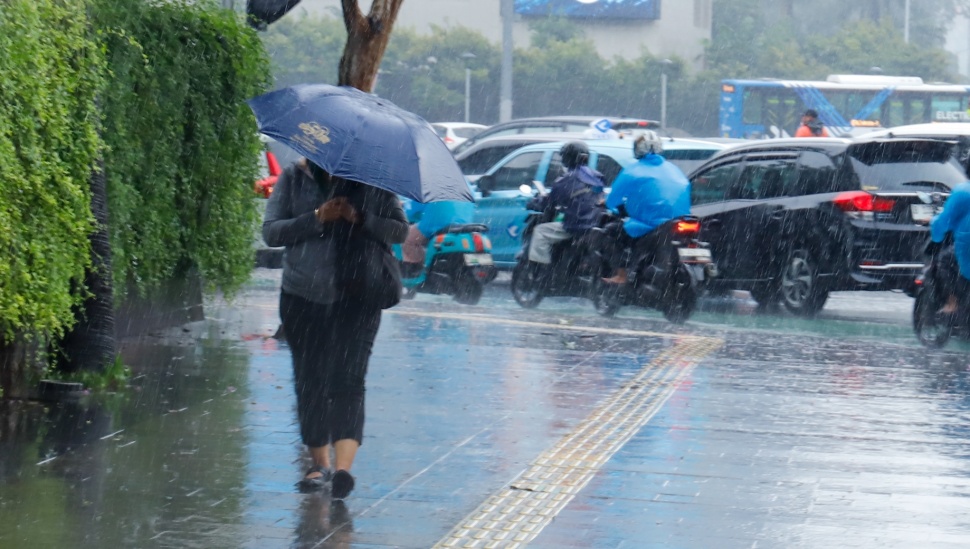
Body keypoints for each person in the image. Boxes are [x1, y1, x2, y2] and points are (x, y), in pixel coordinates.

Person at [262, 157, 408, 498]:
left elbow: (399, 230)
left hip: (358, 296)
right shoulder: (294, 178)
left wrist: (359, 218)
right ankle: (318, 464)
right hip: (303, 296)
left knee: (349, 378)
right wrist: (316, 218)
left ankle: (343, 470)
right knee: (310, 378)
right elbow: (271, 232)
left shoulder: (375, 179)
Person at [602, 131, 691, 284]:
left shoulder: (632, 171)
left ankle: (621, 275)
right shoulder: (673, 169)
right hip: (679, 221)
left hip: (648, 225)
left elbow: (612, 201)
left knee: (611, 231)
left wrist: (616, 209)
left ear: (637, 149)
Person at [527, 141, 606, 268]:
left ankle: (541, 270)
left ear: (568, 158)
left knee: (540, 231)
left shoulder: (566, 179)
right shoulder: (598, 176)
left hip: (576, 225)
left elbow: (549, 203)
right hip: (595, 222)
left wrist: (534, 203)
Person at [929, 181, 970, 314]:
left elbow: (943, 222)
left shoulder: (963, 191)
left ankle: (952, 303)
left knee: (945, 261)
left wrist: (935, 231)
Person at [401, 199, 476, 269]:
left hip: (435, 224)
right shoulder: (466, 187)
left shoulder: (429, 186)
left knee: (406, 239)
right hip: (461, 226)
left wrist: (405, 206)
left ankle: (424, 267)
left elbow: (411, 211)